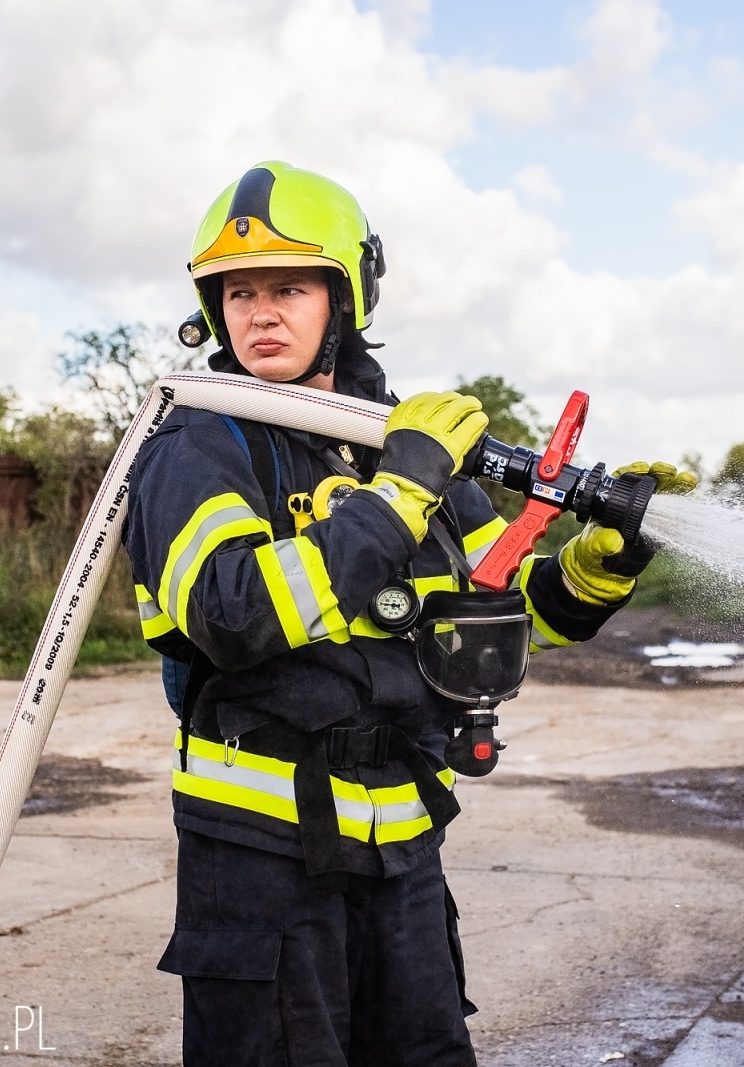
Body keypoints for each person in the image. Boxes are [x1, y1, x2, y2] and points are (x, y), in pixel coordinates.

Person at [122, 161, 694, 1067]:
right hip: (261, 859)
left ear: (345, 299)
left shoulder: (396, 442)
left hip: (403, 846)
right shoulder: (201, 440)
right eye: (237, 292)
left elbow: (500, 608)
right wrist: (396, 497)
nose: (259, 312)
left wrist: (602, 560)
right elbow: (228, 612)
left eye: (288, 287)